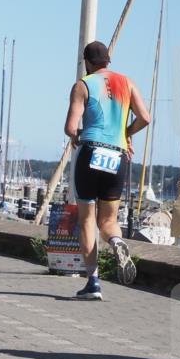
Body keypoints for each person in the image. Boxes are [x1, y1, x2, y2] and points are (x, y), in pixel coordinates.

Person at [63, 40, 150, 300]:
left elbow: (70, 127)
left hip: (91, 150)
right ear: (108, 61)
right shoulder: (128, 82)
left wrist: (78, 134)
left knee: (87, 219)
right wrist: (125, 133)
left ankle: (93, 282)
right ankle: (117, 242)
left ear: (87, 63)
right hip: (117, 154)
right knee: (108, 221)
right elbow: (145, 118)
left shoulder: (83, 85)